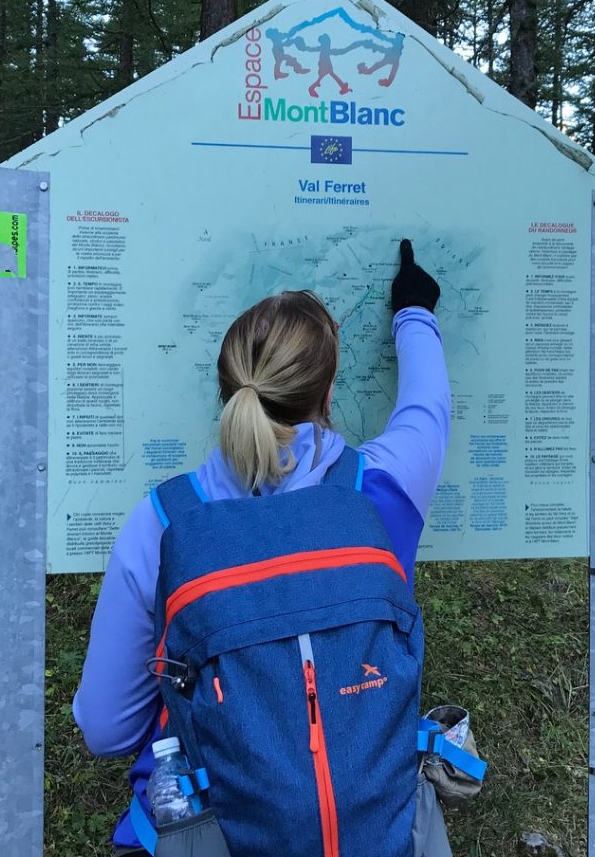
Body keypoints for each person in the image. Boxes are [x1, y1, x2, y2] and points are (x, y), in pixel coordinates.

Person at [74, 239, 450, 854]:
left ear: (227, 393)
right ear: (328, 395)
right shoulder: (383, 488)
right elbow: (428, 406)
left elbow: (105, 726)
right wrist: (415, 309)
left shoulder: (164, 521)